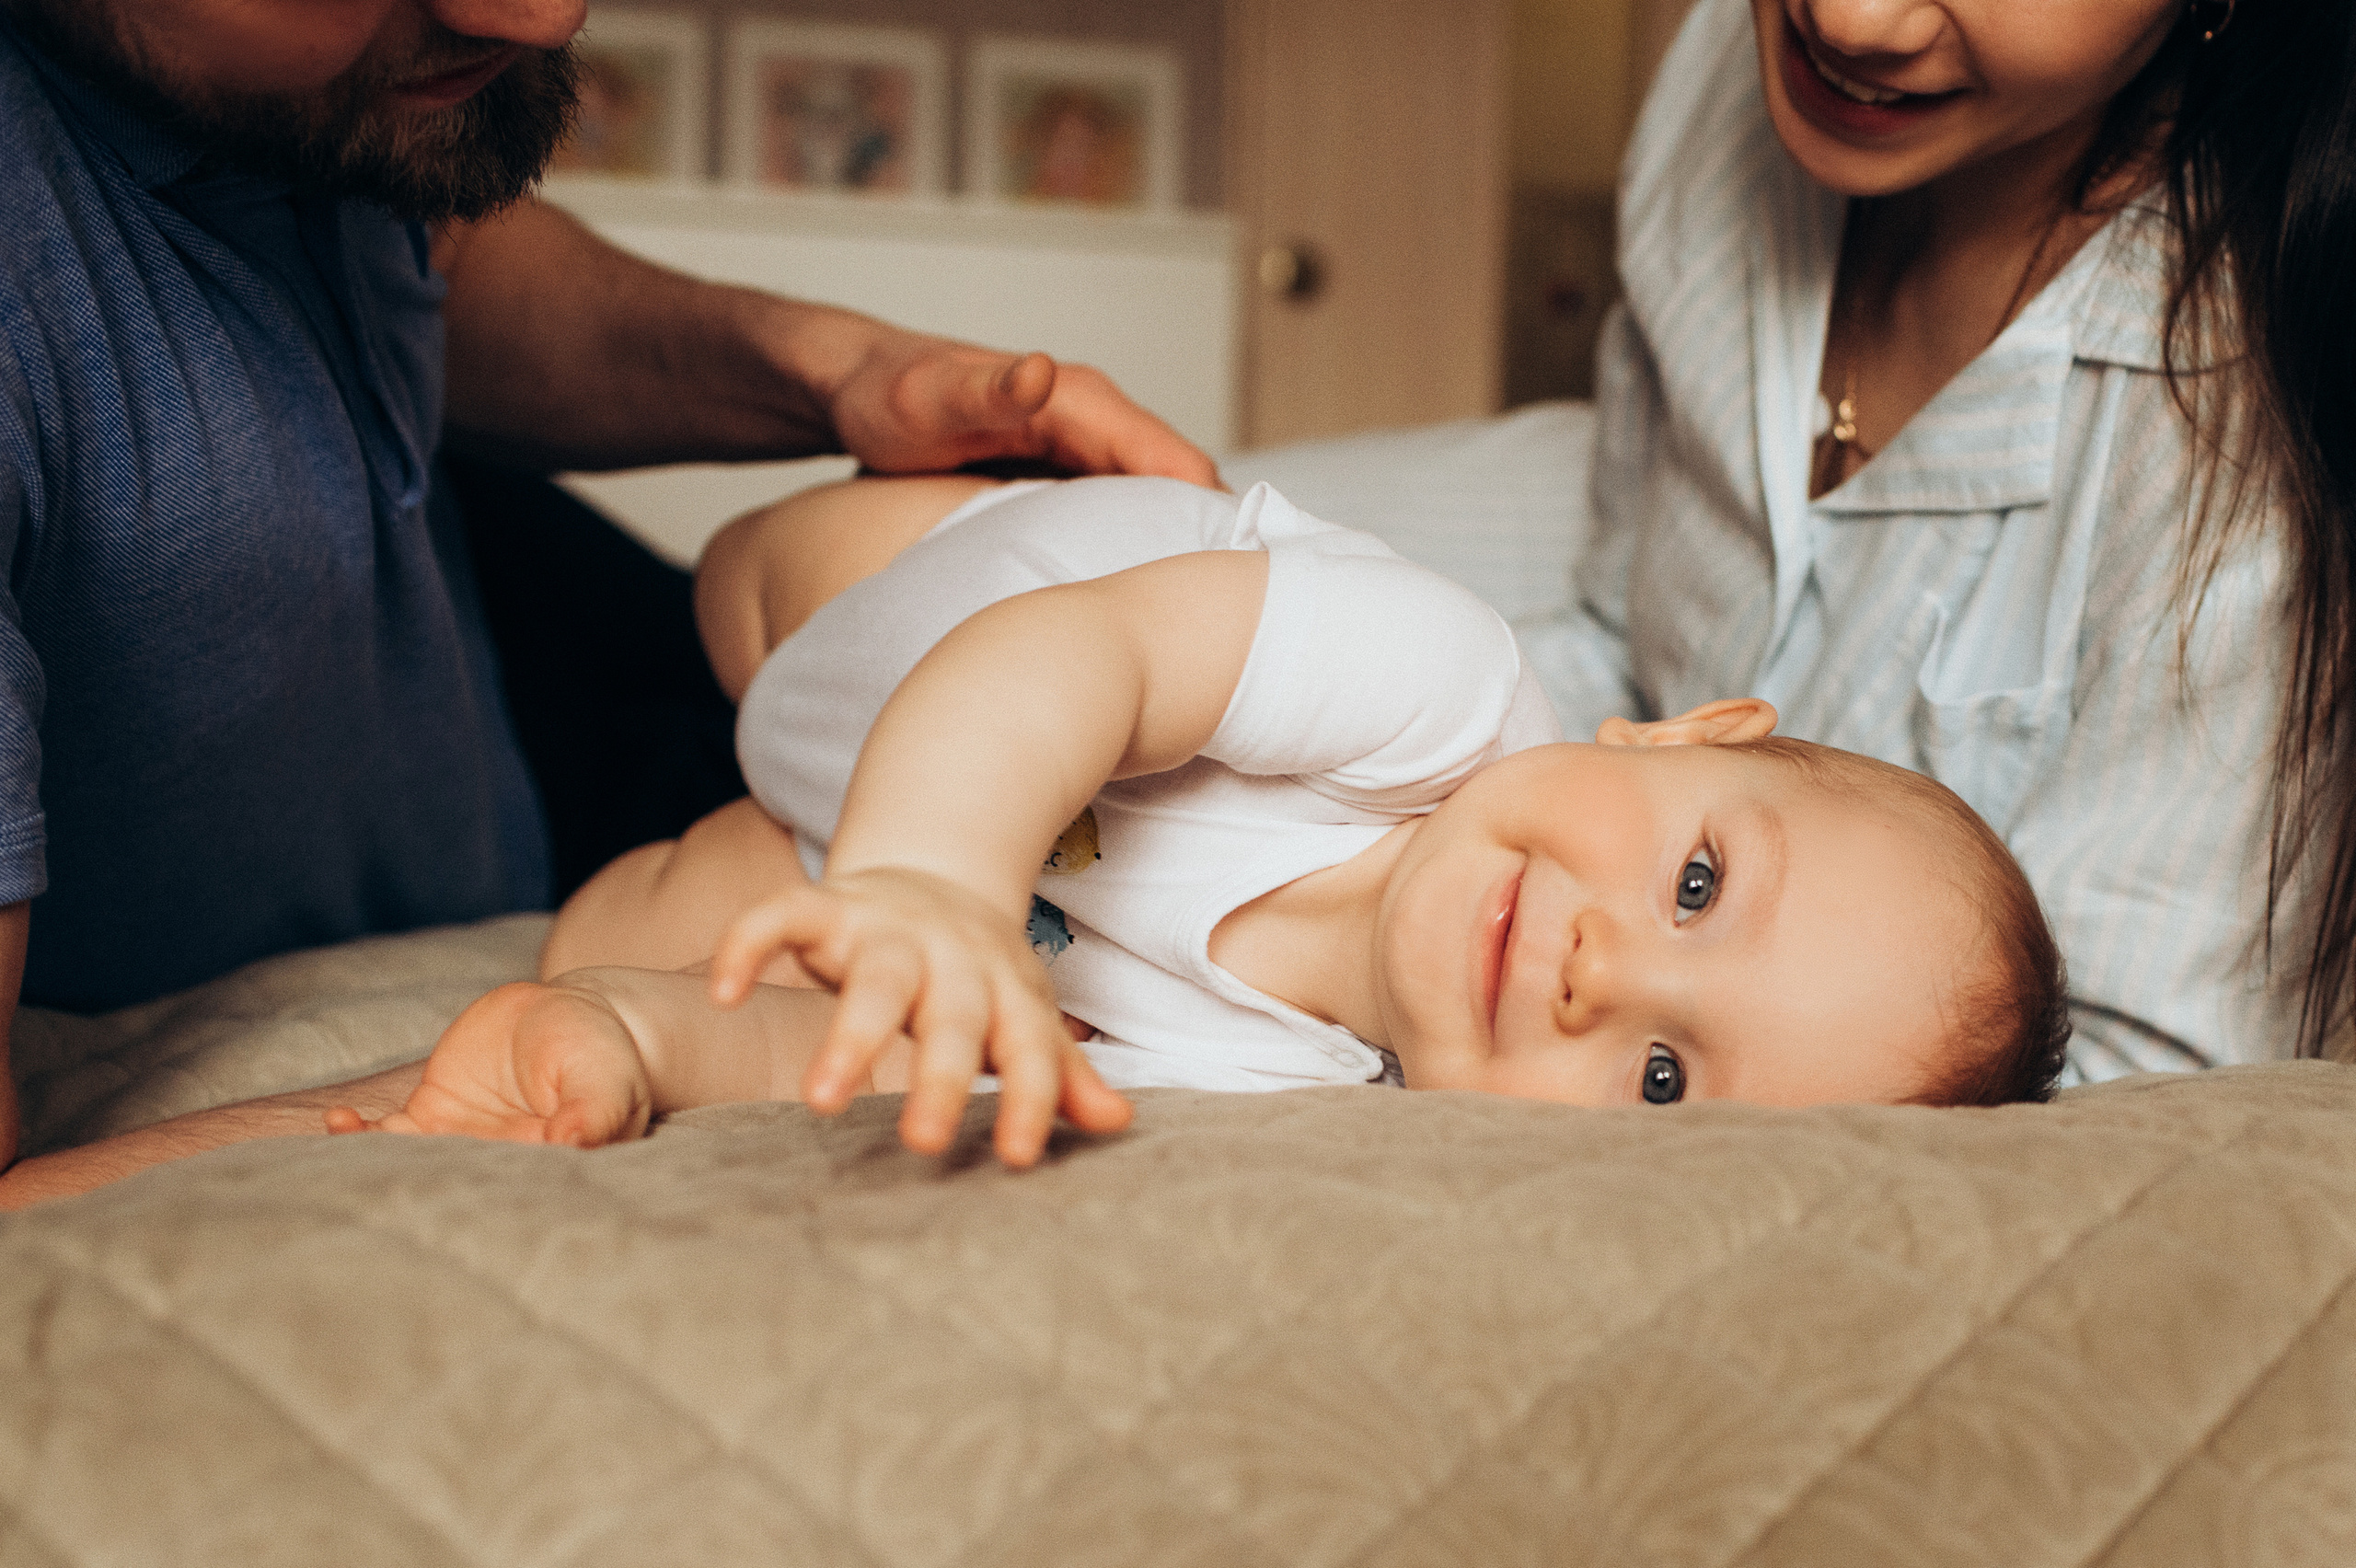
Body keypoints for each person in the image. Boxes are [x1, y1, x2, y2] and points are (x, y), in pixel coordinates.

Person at [0, 0, 1212, 1201]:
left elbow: (439, 251)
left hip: (485, 659)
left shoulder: (309, 95)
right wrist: (562, 1056)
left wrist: (838, 371)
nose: (543, 12)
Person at [333, 473, 2071, 1167]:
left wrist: (640, 1039)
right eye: (1698, 877)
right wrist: (932, 875)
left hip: (827, 858)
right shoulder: (1437, 688)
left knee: (615, 937)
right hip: (896, 615)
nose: (1601, 969)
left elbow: (929, 1045)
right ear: (1691, 727)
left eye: (1665, 1075)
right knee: (729, 593)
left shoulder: (1297, 1102)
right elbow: (1094, 651)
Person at [1516, 0, 2356, 1082]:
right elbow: (1619, 650)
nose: (1849, 20)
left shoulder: (2234, 407)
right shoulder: (1725, 64)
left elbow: (2144, 1094)